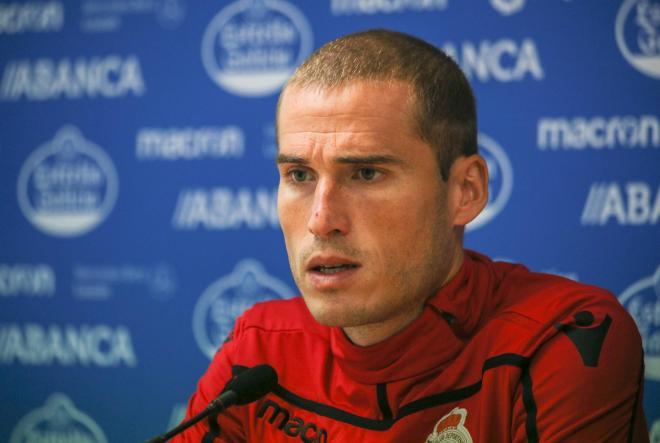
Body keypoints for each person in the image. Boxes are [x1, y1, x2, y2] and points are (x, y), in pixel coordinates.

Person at [173, 29, 648, 442]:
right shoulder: (259, 350)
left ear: (466, 191)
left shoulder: (561, 339)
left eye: (366, 173)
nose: (321, 220)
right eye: (299, 175)